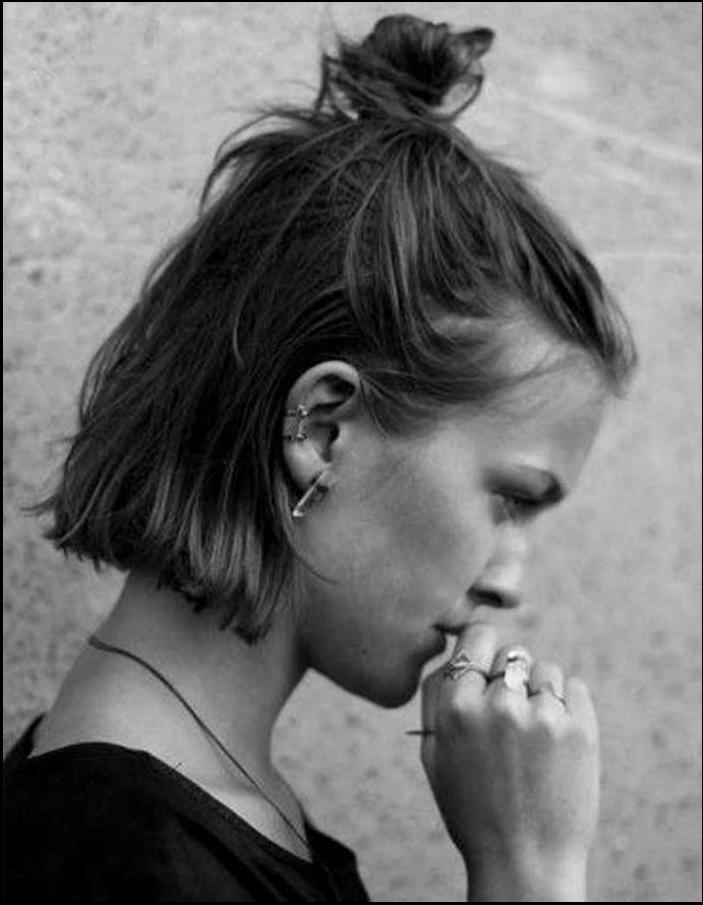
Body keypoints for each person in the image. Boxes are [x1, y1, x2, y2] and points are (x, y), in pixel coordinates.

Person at [3, 12, 638, 903]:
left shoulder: (193, 817)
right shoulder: (127, 862)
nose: (508, 583)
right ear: (321, 430)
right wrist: (528, 867)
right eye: (509, 499)